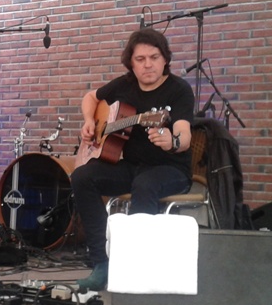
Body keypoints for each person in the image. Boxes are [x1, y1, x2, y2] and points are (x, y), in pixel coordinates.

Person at [71, 28, 195, 291]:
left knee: (145, 184)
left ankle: (136, 267)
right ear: (131, 63)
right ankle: (101, 262)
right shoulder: (124, 85)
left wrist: (172, 141)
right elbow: (91, 98)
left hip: (170, 168)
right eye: (140, 59)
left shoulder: (179, 90)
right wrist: (89, 121)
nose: (148, 64)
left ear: (165, 60)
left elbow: (184, 134)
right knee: (82, 176)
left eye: (154, 57)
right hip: (131, 166)